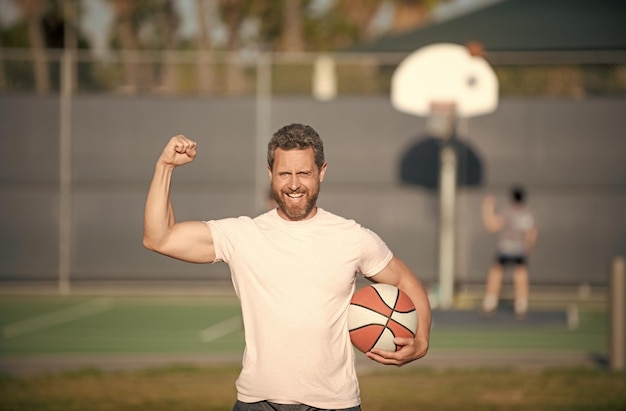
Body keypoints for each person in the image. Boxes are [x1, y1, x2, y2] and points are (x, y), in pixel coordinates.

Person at [143, 123, 432, 411]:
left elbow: (405, 282)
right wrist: (165, 166)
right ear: (271, 174)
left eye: (304, 173)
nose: (294, 184)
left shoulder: (353, 237)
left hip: (334, 404)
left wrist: (421, 341)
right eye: (284, 174)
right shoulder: (242, 235)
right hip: (257, 403)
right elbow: (159, 237)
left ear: (322, 171)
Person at [481, 185, 538, 318]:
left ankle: (490, 302)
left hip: (506, 248)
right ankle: (521, 304)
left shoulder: (508, 211)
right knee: (520, 275)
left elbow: (492, 225)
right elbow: (532, 234)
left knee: (496, 273)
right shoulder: (526, 213)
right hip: (519, 249)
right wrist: (529, 249)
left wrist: (487, 208)